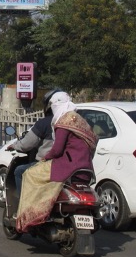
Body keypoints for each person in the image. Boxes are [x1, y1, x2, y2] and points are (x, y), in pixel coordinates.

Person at [15, 91, 98, 233]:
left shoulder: (64, 121)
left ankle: (29, 214)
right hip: (86, 169)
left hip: (67, 167)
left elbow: (57, 149)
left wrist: (45, 158)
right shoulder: (81, 121)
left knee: (29, 174)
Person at [6, 88, 61, 194]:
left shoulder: (45, 123)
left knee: (19, 171)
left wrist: (14, 145)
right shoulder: (74, 122)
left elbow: (27, 144)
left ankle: (24, 203)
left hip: (47, 165)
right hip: (70, 167)